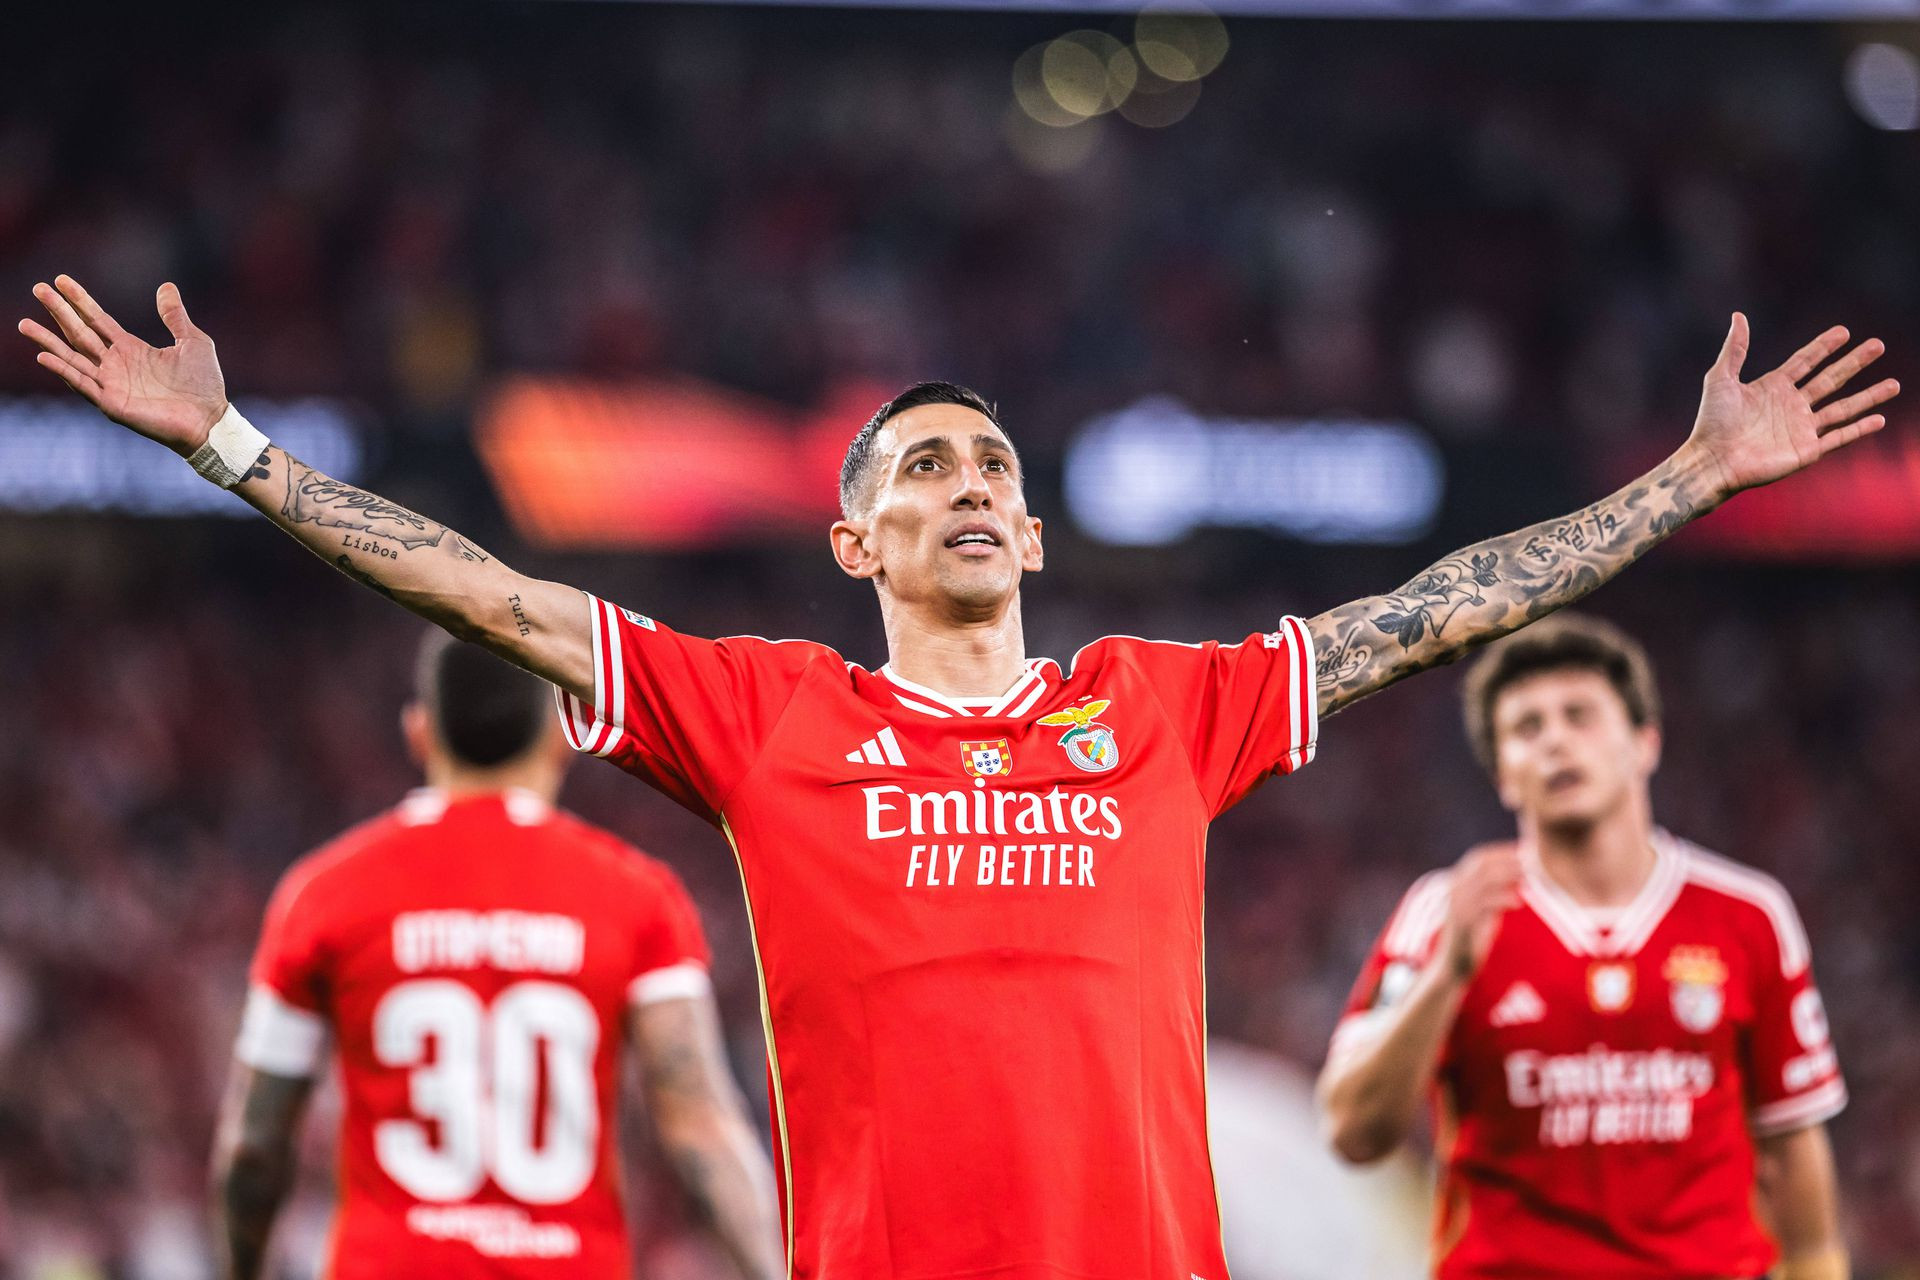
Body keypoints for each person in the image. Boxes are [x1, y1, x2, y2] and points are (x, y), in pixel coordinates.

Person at [21, 274, 1893, 1280]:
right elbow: (487, 591)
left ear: (1035, 531)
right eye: (924, 467)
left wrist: (1687, 484)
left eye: (994, 467)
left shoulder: (1165, 705)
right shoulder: (768, 715)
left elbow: (1433, 611)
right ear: (857, 543)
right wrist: (235, 446)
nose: (972, 485)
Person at [210, 631, 783, 1280]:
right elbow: (701, 1128)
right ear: (560, 737)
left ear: (420, 733)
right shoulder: (640, 898)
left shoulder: (321, 895)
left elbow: (253, 1146)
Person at [1317, 615, 1849, 1280]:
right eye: (1526, 727)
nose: (1555, 741)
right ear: (1503, 776)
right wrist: (1446, 975)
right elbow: (1352, 1132)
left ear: (1645, 743)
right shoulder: (1442, 912)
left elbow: (1792, 1144)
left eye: (1580, 716)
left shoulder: (1749, 914)